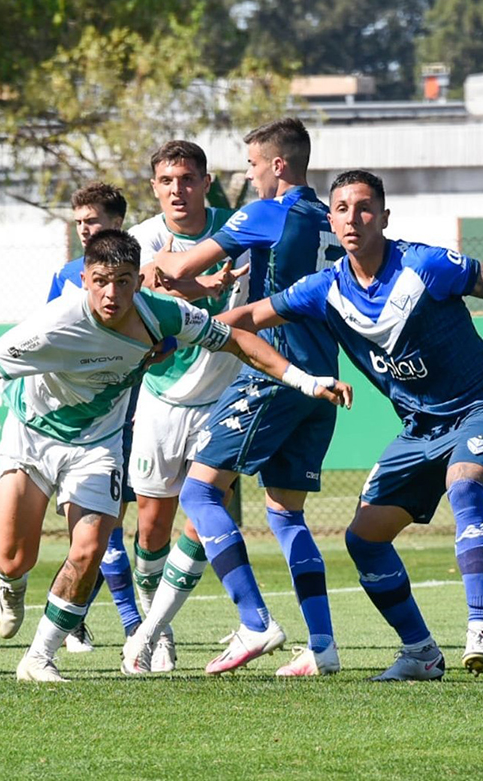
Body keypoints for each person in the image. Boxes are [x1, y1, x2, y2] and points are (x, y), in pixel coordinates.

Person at [0, 229, 350, 683]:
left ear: (139, 280)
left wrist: (307, 381)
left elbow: (237, 340)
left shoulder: (161, 314)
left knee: (88, 550)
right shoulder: (55, 324)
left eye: (125, 280)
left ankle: (39, 657)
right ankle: (11, 583)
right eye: (102, 281)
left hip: (97, 444)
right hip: (32, 436)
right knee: (14, 557)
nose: (113, 293)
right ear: (86, 278)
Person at [220, 169, 483, 680]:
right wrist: (175, 326)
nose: (353, 218)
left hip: (481, 408)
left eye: (365, 208)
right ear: (331, 219)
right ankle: (421, 653)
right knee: (364, 539)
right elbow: (249, 317)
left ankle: (480, 631)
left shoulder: (426, 265)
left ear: (384, 217)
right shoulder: (323, 289)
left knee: (465, 488)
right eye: (342, 209)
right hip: (419, 431)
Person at [124, 118, 346, 677]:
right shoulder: (330, 217)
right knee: (285, 513)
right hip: (320, 376)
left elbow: (176, 266)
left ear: (276, 166)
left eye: (250, 167)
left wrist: (151, 271)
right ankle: (322, 646)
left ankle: (254, 621)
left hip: (273, 372)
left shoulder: (268, 211)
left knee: (200, 494)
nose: (247, 178)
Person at [121, 139, 249, 673]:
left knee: (201, 514)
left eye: (188, 178)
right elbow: (149, 286)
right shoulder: (143, 238)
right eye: (168, 180)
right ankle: (159, 621)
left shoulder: (237, 229)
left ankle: (151, 632)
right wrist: (203, 287)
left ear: (205, 183)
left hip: (222, 397)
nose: (178, 189)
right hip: (161, 398)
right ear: (155, 187)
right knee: (152, 524)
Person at [43, 181, 143, 653]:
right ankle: (131, 626)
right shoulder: (68, 273)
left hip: (136, 406)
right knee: (97, 523)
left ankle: (80, 616)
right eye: (79, 222)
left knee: (119, 525)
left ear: (117, 223)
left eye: (93, 221)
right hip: (83, 418)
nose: (85, 230)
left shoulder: (138, 268)